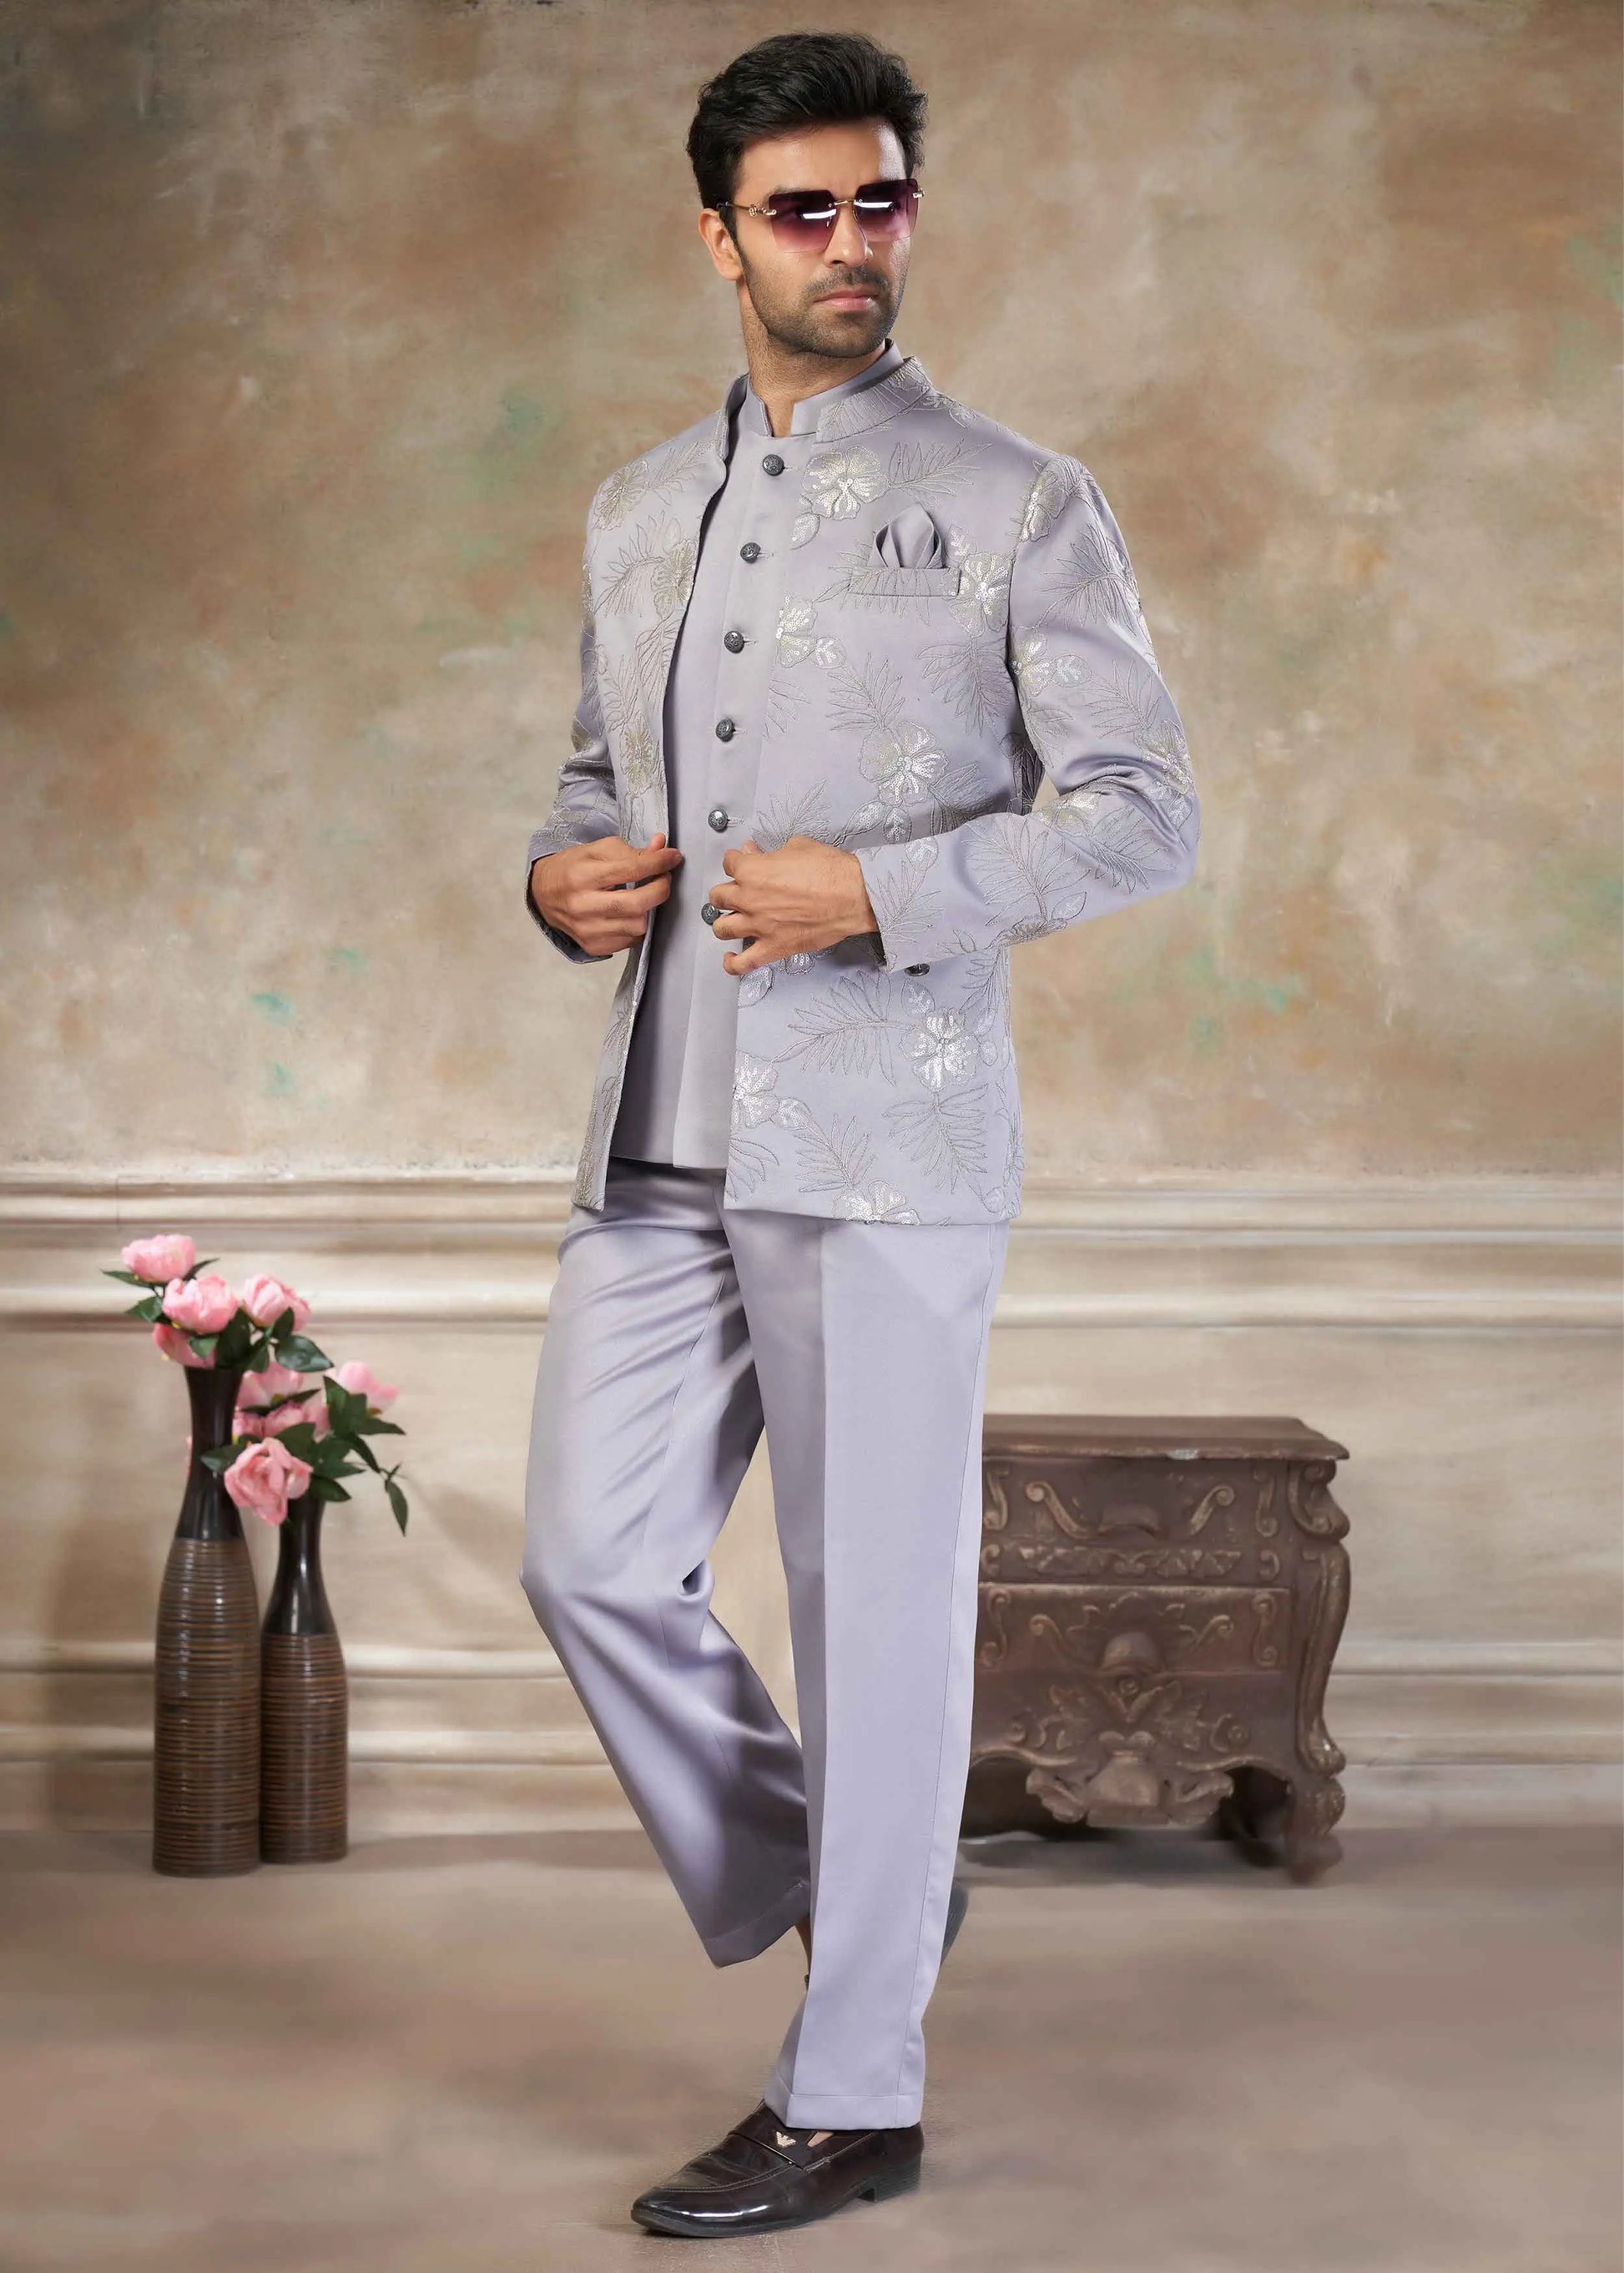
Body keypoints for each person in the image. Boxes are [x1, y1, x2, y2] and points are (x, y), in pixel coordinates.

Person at [518, 29, 1199, 2240]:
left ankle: (854, 2087)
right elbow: (592, 778)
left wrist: (884, 893)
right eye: (800, 208)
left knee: (874, 1618)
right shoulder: (638, 506)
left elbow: (1139, 816)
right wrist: (560, 878)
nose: (847, 242)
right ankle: (862, 1892)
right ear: (716, 238)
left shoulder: (1020, 500)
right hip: (659, 1135)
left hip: (887, 1143)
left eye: (877, 200)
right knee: (588, 1560)